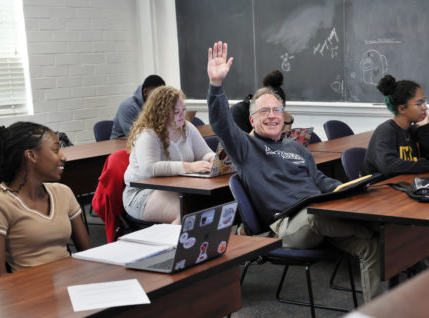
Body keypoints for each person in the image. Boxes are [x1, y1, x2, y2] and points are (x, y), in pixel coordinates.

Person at [207, 41, 383, 302]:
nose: (272, 116)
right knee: (319, 217)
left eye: (277, 110)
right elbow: (222, 124)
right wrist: (216, 86)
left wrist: (344, 188)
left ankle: (377, 316)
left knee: (371, 247)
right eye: (264, 111)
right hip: (289, 225)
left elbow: (320, 180)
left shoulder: (297, 149)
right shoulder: (246, 147)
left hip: (321, 217)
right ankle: (371, 226)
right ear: (252, 119)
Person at [0, 122, 91, 278]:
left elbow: (88, 255)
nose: (63, 157)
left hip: (69, 282)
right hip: (30, 292)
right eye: (56, 150)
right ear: (31, 155)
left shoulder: (63, 192)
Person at [123, 86, 215, 224]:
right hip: (142, 192)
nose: (182, 115)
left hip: (179, 188)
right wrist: (188, 167)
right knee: (185, 210)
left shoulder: (187, 127)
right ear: (162, 113)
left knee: (208, 203)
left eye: (184, 110)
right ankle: (173, 246)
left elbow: (204, 153)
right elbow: (149, 168)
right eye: (176, 112)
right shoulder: (148, 133)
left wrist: (214, 159)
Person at [362, 75, 429, 177]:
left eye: (424, 101)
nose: (424, 107)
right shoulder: (386, 131)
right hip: (379, 189)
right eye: (419, 104)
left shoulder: (414, 130)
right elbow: (388, 166)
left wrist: (425, 127)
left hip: (403, 184)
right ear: (402, 109)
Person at [231, 70, 294, 134]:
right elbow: (240, 143)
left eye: (277, 110)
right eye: (266, 110)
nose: (272, 115)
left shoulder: (278, 116)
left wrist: (288, 122)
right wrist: (259, 124)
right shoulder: (238, 112)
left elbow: (282, 141)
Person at [110, 74, 166, 139]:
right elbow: (133, 134)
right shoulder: (127, 106)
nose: (159, 99)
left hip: (146, 140)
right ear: (145, 92)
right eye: (156, 95)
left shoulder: (155, 105)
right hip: (121, 142)